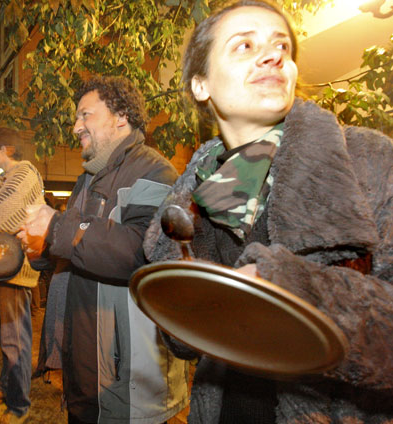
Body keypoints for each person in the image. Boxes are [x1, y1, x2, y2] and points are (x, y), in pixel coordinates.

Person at [143, 1, 393, 423]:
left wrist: (289, 291)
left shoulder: (368, 162)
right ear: (200, 85)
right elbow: (185, 340)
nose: (273, 55)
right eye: (244, 45)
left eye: (282, 46)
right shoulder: (195, 193)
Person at [18, 76, 190, 424]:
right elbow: (83, 253)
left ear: (121, 117)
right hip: (85, 370)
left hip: (127, 381)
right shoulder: (88, 179)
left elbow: (141, 254)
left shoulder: (157, 173)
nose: (75, 126)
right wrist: (43, 253)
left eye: (86, 115)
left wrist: (57, 227)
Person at [0, 127, 44, 424]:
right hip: (1, 268)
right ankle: (5, 386)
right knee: (3, 334)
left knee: (15, 339)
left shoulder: (24, 174)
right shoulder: (3, 180)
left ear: (7, 149)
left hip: (15, 269)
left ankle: (18, 404)